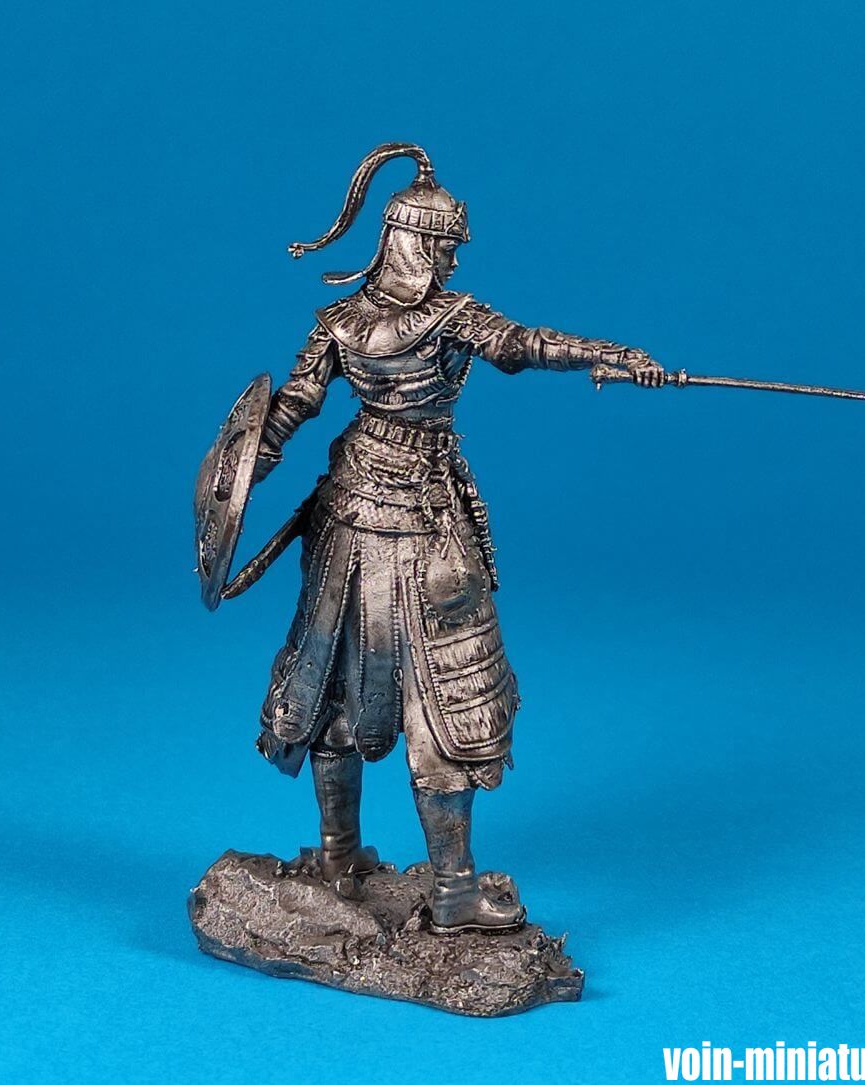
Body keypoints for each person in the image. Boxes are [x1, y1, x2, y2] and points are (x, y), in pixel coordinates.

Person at [251, 143, 664, 934]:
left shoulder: (338, 323)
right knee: (443, 695)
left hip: (347, 512)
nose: (449, 261)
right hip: (422, 526)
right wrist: (613, 354)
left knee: (336, 680)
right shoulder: (448, 318)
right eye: (441, 246)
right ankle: (449, 889)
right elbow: (526, 344)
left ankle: (341, 854)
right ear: (410, 242)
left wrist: (247, 468)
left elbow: (290, 411)